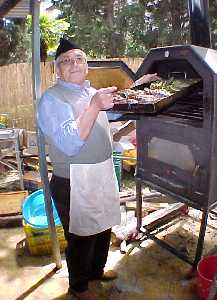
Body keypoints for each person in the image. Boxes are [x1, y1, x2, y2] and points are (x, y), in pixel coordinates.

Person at [38, 38, 121, 300]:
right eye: (65, 61)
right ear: (57, 70)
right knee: (82, 236)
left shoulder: (90, 92)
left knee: (103, 226)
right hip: (74, 179)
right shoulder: (52, 99)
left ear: (86, 66)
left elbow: (112, 121)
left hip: (102, 173)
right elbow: (70, 143)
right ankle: (79, 287)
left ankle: (96, 271)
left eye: (78, 59)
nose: (73, 63)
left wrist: (141, 88)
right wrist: (95, 105)